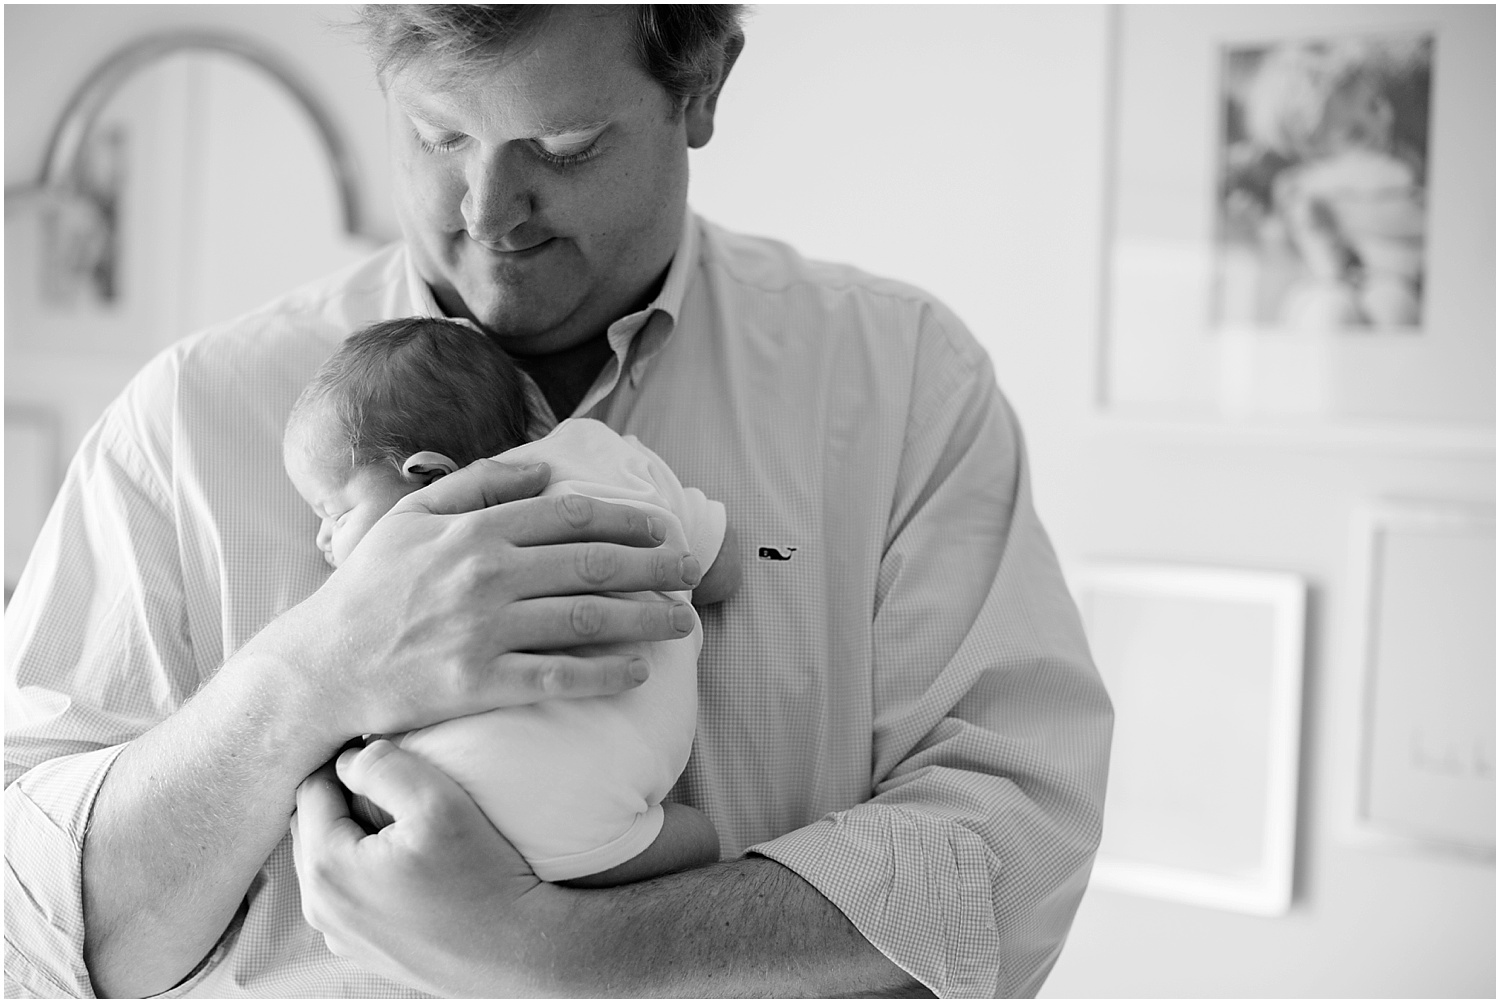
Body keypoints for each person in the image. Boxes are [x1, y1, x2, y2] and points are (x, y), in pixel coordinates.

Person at [4, 5, 1113, 998]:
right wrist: (315, 671)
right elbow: (26, 929)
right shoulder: (191, 421)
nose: (490, 213)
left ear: (704, 86)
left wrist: (559, 953)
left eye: (565, 148)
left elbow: (1007, 856)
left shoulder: (901, 382)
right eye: (440, 136)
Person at [282, 316, 734, 886]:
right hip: (592, 823)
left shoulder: (393, 581)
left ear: (427, 477)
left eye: (335, 514)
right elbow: (722, 572)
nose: (321, 541)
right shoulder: (602, 452)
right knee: (704, 840)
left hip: (445, 811)